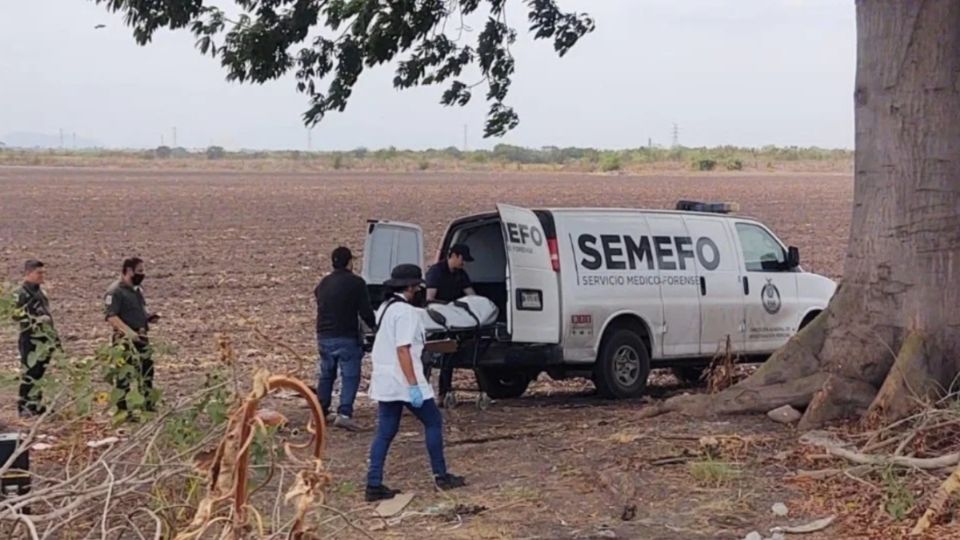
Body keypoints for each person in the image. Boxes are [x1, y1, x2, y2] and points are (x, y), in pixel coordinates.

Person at [365, 264, 466, 502]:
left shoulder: (385, 308)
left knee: (386, 432)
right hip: (404, 379)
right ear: (411, 287)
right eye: (418, 286)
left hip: (386, 379)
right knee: (433, 421)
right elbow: (403, 350)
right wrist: (413, 385)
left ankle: (373, 483)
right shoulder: (407, 313)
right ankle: (440, 475)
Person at [314, 246, 377, 431]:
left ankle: (320, 410)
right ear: (350, 262)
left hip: (323, 336)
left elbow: (318, 297)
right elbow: (365, 311)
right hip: (346, 336)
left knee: (327, 374)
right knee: (350, 375)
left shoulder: (323, 283)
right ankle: (344, 414)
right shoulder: (356, 283)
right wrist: (375, 328)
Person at [104, 257, 160, 413]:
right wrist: (129, 333)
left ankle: (147, 405)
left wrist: (148, 317)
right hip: (124, 341)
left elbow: (140, 309)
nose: (143, 274)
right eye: (140, 271)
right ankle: (123, 411)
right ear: (128, 271)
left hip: (141, 337)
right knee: (124, 375)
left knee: (147, 371)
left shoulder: (137, 289)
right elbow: (111, 317)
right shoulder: (115, 291)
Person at [12, 260, 59, 417]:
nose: (42, 276)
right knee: (30, 372)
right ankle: (24, 406)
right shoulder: (21, 293)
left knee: (39, 372)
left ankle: (35, 404)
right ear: (28, 273)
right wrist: (35, 320)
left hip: (44, 337)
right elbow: (16, 315)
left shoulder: (39, 292)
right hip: (30, 338)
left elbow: (46, 312)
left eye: (43, 272)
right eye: (39, 273)